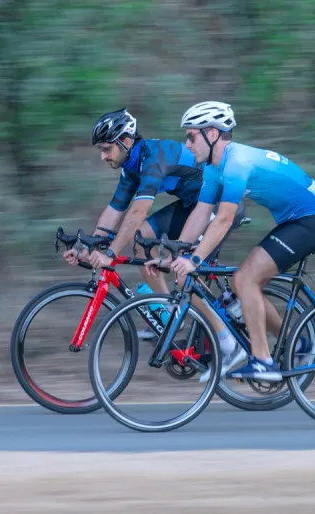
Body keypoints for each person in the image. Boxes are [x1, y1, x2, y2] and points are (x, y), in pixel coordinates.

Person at [149, 101, 315, 381]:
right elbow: (202, 213)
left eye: (191, 136)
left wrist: (195, 259)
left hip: (313, 220)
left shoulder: (237, 163)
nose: (187, 144)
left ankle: (264, 363)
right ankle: (300, 344)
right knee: (242, 281)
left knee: (245, 279)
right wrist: (176, 254)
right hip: (295, 221)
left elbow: (223, 219)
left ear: (212, 134)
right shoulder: (214, 168)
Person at [63, 108, 247, 364]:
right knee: (140, 240)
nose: (103, 156)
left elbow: (137, 211)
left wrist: (110, 253)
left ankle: (227, 341)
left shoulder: (152, 158)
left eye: (106, 149)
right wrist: (90, 246)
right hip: (191, 205)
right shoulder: (130, 167)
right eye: (101, 150)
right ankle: (171, 309)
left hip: (216, 206)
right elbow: (114, 211)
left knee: (184, 272)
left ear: (126, 141)